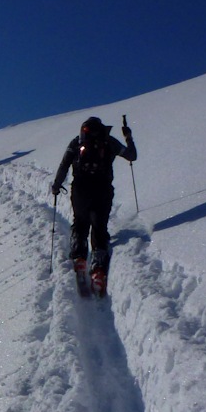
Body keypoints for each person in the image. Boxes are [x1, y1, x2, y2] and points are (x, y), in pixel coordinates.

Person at [50, 116, 137, 291]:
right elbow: (132, 156)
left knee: (81, 222)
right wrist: (128, 137)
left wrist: (57, 185)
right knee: (99, 227)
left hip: (80, 189)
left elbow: (64, 164)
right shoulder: (109, 141)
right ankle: (98, 268)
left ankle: (80, 257)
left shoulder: (76, 142)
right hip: (103, 189)